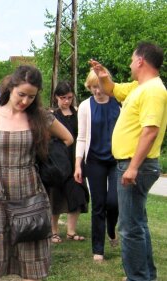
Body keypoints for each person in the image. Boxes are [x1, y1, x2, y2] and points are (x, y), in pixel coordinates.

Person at [0, 66, 73, 281]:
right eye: (21, 94)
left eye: (31, 96)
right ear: (11, 88)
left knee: (32, 262)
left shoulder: (39, 116)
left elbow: (68, 138)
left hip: (29, 194)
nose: (25, 101)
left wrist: (46, 155)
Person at [91, 42, 166, 281]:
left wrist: (133, 167)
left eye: (133, 60)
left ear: (141, 60)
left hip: (137, 165)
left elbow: (150, 130)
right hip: (132, 164)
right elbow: (112, 89)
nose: (130, 64)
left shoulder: (153, 90)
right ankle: (146, 276)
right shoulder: (138, 87)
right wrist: (102, 77)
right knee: (138, 224)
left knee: (129, 228)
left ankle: (138, 278)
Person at [74, 69, 121, 262]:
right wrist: (78, 164)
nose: (97, 91)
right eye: (93, 87)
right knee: (99, 204)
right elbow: (82, 137)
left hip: (116, 159)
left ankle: (111, 229)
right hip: (94, 161)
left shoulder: (119, 103)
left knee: (114, 202)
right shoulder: (85, 106)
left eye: (100, 86)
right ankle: (98, 249)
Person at [49, 81, 88, 244]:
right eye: (63, 97)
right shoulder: (52, 115)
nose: (66, 101)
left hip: (76, 159)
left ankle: (71, 231)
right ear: (56, 97)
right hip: (58, 160)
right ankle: (54, 231)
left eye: (70, 97)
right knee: (55, 196)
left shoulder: (79, 113)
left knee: (78, 194)